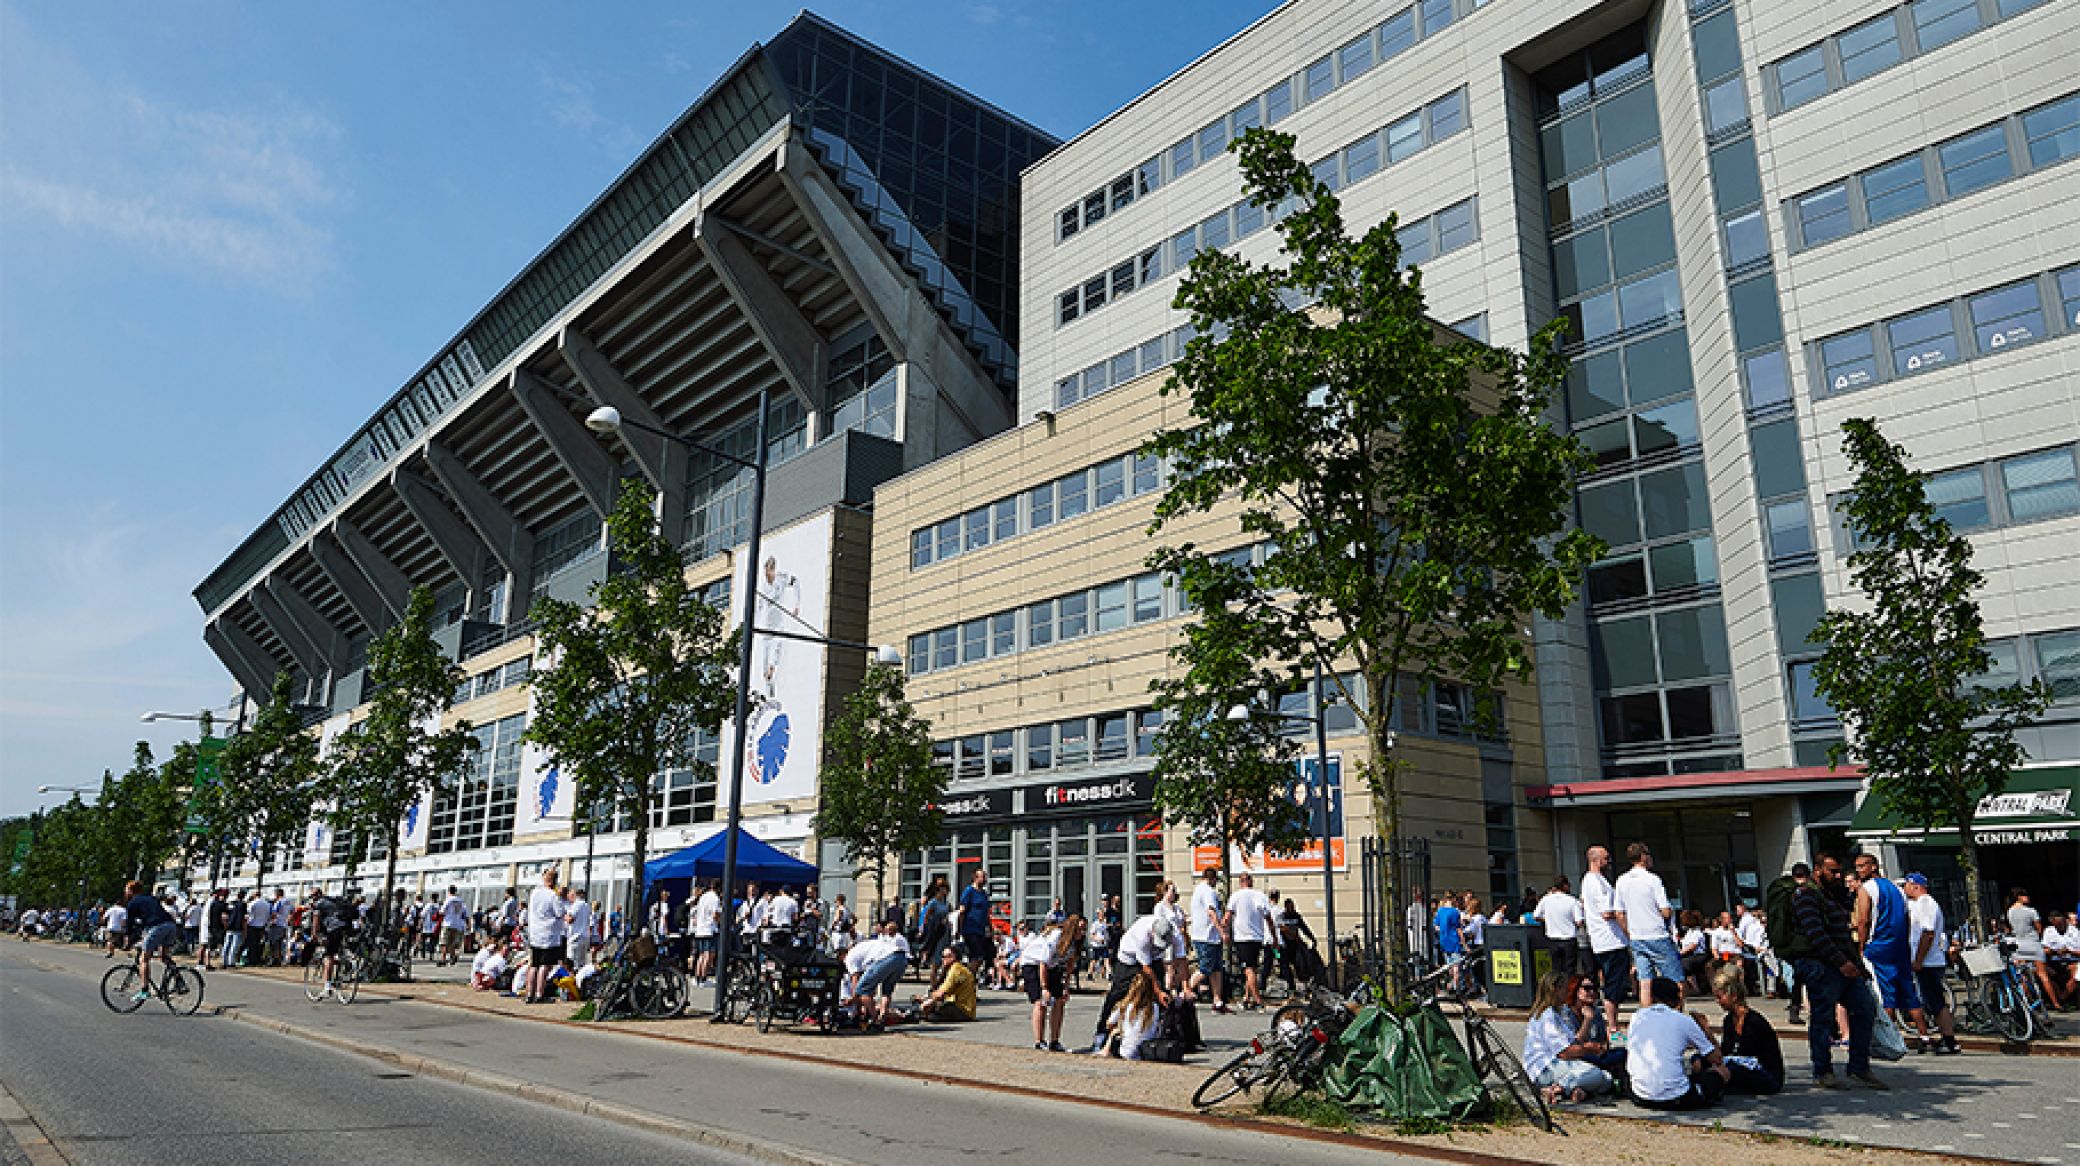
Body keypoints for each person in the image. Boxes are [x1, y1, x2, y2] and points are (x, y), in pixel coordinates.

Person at [1792, 853, 1882, 1090]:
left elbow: (1843, 936)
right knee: (1823, 1018)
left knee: (1865, 1009)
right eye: (1833, 871)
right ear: (1818, 870)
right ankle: (1823, 1070)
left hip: (1844, 965)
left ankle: (1859, 1067)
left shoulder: (1834, 896)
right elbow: (1816, 935)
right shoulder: (1806, 896)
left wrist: (1858, 966)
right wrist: (1841, 962)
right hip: (1821, 966)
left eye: (1840, 871)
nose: (1839, 876)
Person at [1850, 854, 1923, 1041]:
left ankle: (1887, 1037)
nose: (1859, 870)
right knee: (1908, 991)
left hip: (1878, 945)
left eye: (1862, 866)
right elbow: (1906, 918)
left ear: (1873, 866)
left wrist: (1862, 945)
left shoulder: (1866, 888)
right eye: (1857, 867)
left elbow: (1864, 919)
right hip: (1899, 946)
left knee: (1884, 993)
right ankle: (1925, 1035)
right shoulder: (1897, 889)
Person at [1626, 977, 1729, 1110]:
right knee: (1723, 1072)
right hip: (1677, 1098)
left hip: (1639, 1095)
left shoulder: (1637, 1017)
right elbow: (1716, 1058)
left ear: (1651, 997)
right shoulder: (1683, 1020)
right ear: (1677, 1000)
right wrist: (1706, 1029)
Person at [1521, 971, 1618, 1103]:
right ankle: (1559, 1088)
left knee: (1606, 1078)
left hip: (1558, 1064)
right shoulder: (1548, 1016)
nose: (1567, 991)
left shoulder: (1556, 1013)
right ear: (1555, 989)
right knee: (1597, 1075)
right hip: (1544, 1067)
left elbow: (1574, 1041)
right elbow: (1564, 1052)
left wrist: (1588, 1022)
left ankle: (1570, 1089)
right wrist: (1590, 1049)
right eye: (1564, 988)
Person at [1090, 910, 1175, 1053]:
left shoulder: (1172, 931)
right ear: (1153, 933)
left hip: (1152, 960)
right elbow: (1147, 969)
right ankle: (1101, 1034)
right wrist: (1158, 991)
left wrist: (1174, 985)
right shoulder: (1142, 935)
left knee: (1161, 996)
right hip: (1128, 960)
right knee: (1117, 994)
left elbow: (1178, 959)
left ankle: (1160, 1032)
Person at [1613, 843, 1679, 1008]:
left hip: (1637, 937)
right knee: (1676, 979)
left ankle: (1647, 1016)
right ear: (1643, 857)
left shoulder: (1621, 880)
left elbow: (1619, 913)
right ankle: (1676, 1013)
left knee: (1645, 982)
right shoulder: (1652, 879)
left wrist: (1629, 933)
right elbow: (1665, 911)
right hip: (1657, 934)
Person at [1901, 873, 1961, 1052]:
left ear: (1915, 886)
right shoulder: (1918, 904)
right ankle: (1946, 1037)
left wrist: (1919, 959)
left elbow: (1928, 933)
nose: (1905, 889)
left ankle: (1949, 1040)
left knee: (1936, 1001)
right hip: (1926, 961)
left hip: (1929, 961)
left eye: (1907, 885)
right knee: (1932, 1000)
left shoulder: (1926, 903)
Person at [1708, 964, 1783, 1094]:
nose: (1718, 1002)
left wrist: (1708, 1033)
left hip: (1764, 1074)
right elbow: (1725, 1052)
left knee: (1728, 1068)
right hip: (1741, 1067)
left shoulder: (1754, 1022)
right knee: (1700, 1060)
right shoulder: (1728, 1020)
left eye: (1720, 997)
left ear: (1734, 996)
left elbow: (1748, 1057)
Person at [1581, 846, 1629, 1031]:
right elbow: (1607, 912)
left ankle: (1608, 1022)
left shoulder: (1593, 881)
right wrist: (1624, 915)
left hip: (1604, 939)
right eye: (1605, 858)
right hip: (1610, 939)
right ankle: (1613, 1025)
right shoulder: (1596, 883)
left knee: (1611, 981)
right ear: (1595, 860)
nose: (1609, 861)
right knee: (1613, 983)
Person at [844, 921, 911, 1029]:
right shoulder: (864, 947)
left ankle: (875, 1021)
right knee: (887, 990)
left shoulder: (849, 958)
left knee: (862, 991)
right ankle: (882, 1016)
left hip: (886, 958)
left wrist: (853, 1000)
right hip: (901, 958)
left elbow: (856, 982)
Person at [120, 881, 180, 1002]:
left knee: (144, 959)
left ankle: (144, 990)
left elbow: (130, 926)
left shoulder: (133, 903)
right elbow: (145, 922)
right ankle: (180, 982)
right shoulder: (151, 898)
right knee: (164, 957)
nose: (125, 893)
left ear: (131, 891)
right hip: (170, 926)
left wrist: (127, 942)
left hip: (157, 927)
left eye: (126, 890)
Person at [1226, 873, 1275, 1010]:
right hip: (1256, 937)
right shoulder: (1259, 896)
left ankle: (1257, 999)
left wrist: (1224, 931)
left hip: (1242, 937)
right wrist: (1274, 936)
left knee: (1248, 970)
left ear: (1240, 882)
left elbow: (1227, 917)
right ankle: (1246, 997)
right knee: (1252, 968)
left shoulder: (1235, 896)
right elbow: (1269, 918)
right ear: (1251, 882)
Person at [2007, 888, 2059, 1012]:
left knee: (2023, 976)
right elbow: (2039, 928)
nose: (2028, 897)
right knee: (2043, 975)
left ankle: (2028, 1002)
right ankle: (2056, 1003)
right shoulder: (2031, 911)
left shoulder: (2010, 912)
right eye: (2025, 895)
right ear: (2019, 897)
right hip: (2033, 943)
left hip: (2019, 944)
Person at [1188, 867, 1229, 1012]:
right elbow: (1211, 912)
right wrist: (1222, 931)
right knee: (1205, 969)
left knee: (1216, 969)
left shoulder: (1198, 890)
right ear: (1212, 879)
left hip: (1209, 937)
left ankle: (1217, 1000)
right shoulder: (1208, 891)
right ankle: (1185, 991)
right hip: (1206, 937)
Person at [525, 867, 567, 1005]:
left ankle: (528, 993)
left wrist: (553, 866)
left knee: (533, 964)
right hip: (548, 933)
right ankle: (539, 993)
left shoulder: (535, 892)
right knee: (544, 965)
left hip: (534, 932)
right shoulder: (552, 895)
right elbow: (560, 912)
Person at [1107, 971, 1164, 1061]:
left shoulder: (1125, 1005)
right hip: (1147, 1051)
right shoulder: (1154, 1007)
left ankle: (1105, 1050)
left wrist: (1120, 1026)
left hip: (1125, 1052)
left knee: (1114, 1032)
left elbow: (1109, 1024)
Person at [913, 943, 978, 1022]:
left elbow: (941, 993)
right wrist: (924, 998)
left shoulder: (956, 969)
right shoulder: (954, 969)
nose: (943, 959)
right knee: (917, 1001)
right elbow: (941, 990)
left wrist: (925, 1003)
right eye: (942, 956)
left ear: (954, 957)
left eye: (946, 957)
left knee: (926, 1015)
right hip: (957, 1006)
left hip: (962, 1010)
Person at [1533, 877, 1584, 976]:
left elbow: (1536, 916)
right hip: (1569, 939)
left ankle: (1557, 990)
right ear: (1565, 886)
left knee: (1556, 969)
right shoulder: (1572, 901)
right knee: (1570, 969)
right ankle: (1569, 990)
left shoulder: (1546, 899)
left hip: (1552, 939)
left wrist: (1547, 920)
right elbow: (1579, 922)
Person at [309, 885, 353, 992]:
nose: (312, 899)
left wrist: (314, 936)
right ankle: (346, 966)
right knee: (338, 951)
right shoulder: (333, 901)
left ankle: (327, 987)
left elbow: (315, 923)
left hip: (334, 929)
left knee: (329, 956)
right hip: (347, 927)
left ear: (318, 895)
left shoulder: (319, 904)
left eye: (313, 896)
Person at [2043, 909, 2079, 1009]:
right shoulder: (2048, 931)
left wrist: (2069, 951)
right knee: (2043, 972)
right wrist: (2053, 951)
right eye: (2057, 924)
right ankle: (2056, 999)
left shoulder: (2075, 931)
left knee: (2077, 972)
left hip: (2071, 960)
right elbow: (2044, 949)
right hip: (2054, 960)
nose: (2059, 926)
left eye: (2061, 924)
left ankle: (2062, 998)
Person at [958, 869, 995, 965]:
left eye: (985, 877)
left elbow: (986, 913)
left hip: (981, 930)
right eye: (982, 877)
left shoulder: (984, 894)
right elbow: (962, 911)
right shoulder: (969, 891)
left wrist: (990, 927)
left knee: (981, 957)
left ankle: (970, 977)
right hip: (971, 929)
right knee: (977, 957)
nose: (984, 880)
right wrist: (960, 929)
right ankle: (969, 977)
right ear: (975, 878)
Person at [1434, 889, 1466, 992]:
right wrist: (1464, 943)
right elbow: (1458, 929)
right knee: (1457, 966)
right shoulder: (1455, 912)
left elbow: (1436, 926)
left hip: (1444, 940)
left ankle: (1451, 986)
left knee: (1450, 966)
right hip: (1454, 940)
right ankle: (1456, 988)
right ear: (1453, 899)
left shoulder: (1440, 911)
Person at [691, 880, 723, 984]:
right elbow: (715, 915)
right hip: (709, 929)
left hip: (700, 929)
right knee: (708, 955)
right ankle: (704, 978)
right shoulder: (715, 899)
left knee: (701, 955)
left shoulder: (703, 897)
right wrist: (721, 922)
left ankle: (697, 977)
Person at [1736, 904, 1769, 996]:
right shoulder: (1752, 926)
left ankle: (1770, 988)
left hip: (1762, 950)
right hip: (1751, 949)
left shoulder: (1752, 923)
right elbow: (1747, 940)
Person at [1677, 910, 1711, 993]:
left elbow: (1692, 946)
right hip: (1688, 955)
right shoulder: (1689, 932)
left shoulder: (1697, 932)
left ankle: (1688, 988)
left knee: (1681, 966)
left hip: (1698, 956)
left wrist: (1679, 954)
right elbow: (1684, 942)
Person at [567, 888, 595, 970]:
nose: (569, 897)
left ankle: (573, 981)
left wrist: (563, 916)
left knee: (572, 963)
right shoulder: (587, 905)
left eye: (570, 894)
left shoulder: (576, 904)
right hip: (585, 936)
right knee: (581, 963)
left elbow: (570, 919)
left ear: (575, 895)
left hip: (576, 937)